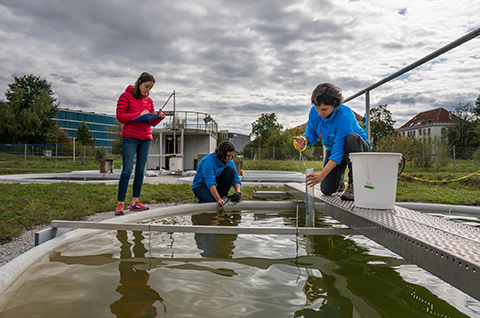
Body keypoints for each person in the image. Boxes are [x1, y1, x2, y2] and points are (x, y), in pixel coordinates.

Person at [293, 83, 370, 201]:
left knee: (351, 137)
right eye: (317, 109)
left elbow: (339, 150)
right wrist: (304, 140)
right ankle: (339, 180)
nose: (320, 113)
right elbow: (312, 132)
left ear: (335, 103)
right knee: (327, 190)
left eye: (324, 109)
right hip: (334, 149)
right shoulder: (315, 112)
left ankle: (354, 184)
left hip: (357, 148)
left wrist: (321, 175)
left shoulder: (345, 115)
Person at [115, 72, 165, 215]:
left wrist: (159, 117)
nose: (148, 91)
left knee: (140, 171)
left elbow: (150, 121)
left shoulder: (149, 101)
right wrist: (138, 115)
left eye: (150, 88)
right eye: (146, 86)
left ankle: (135, 202)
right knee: (127, 170)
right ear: (139, 83)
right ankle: (120, 204)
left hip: (146, 138)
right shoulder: (126, 96)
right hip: (130, 137)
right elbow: (120, 116)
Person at [192, 140, 242, 207]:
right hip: (201, 186)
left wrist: (238, 192)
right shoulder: (208, 161)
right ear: (221, 154)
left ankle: (222, 196)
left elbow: (236, 178)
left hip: (216, 185)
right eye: (228, 156)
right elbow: (210, 182)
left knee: (231, 170)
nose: (230, 158)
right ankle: (201, 199)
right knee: (214, 202)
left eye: (232, 156)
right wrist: (218, 199)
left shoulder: (230, 161)